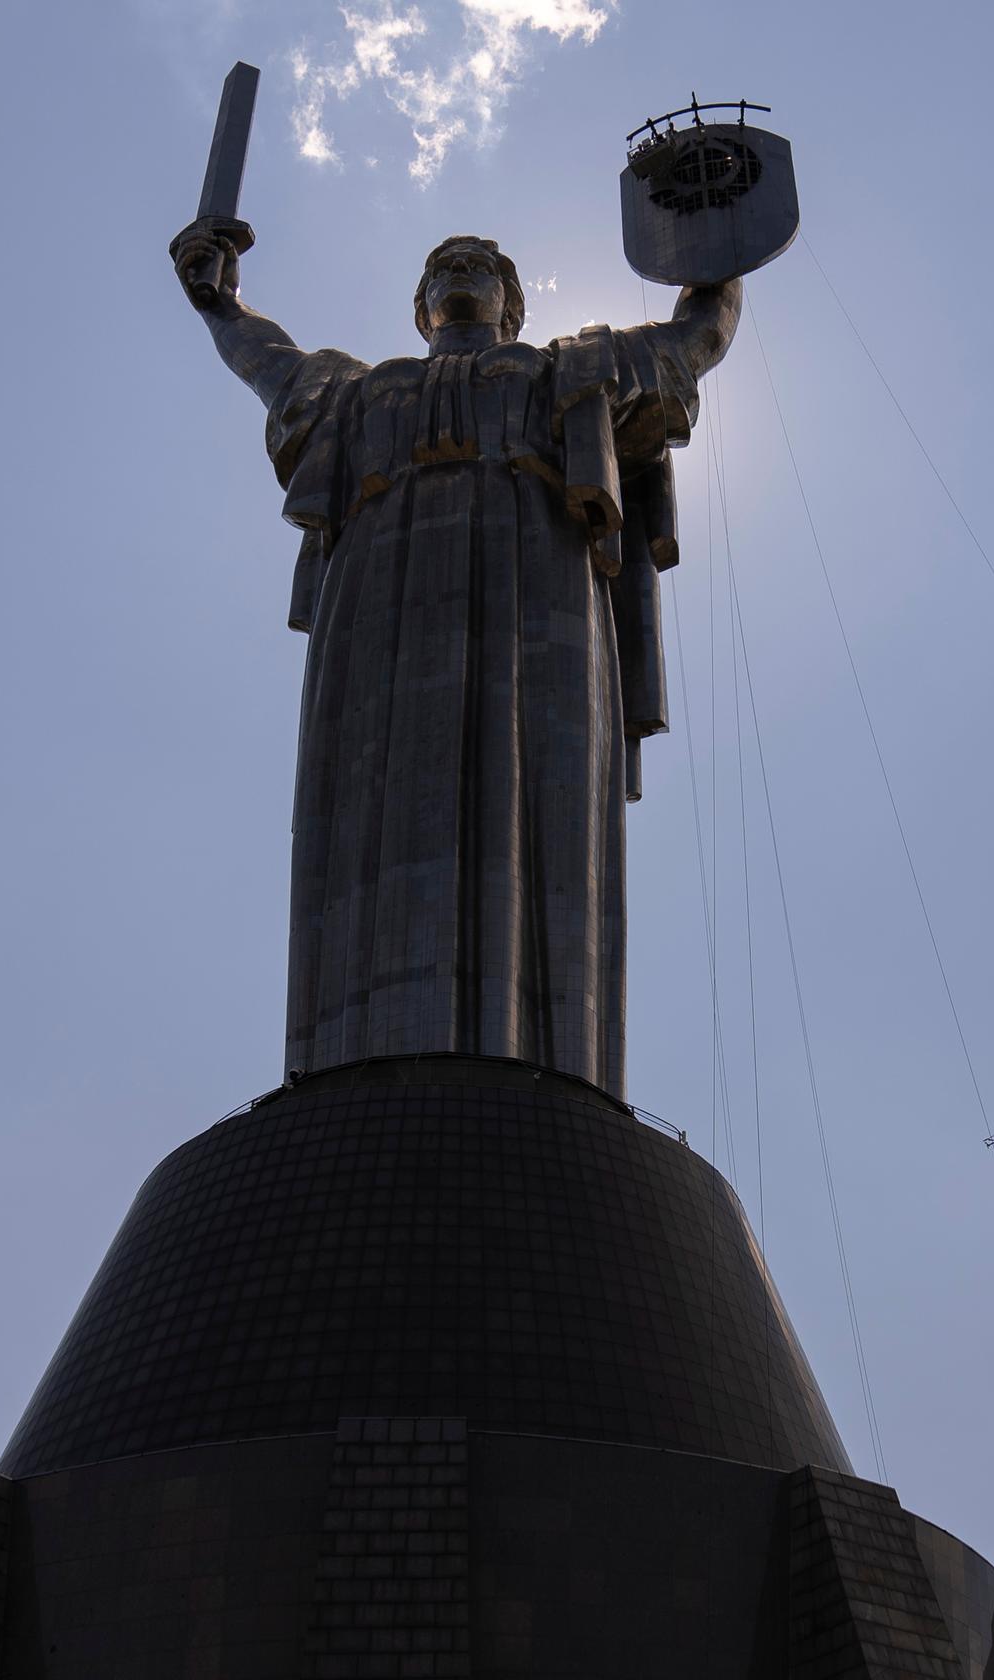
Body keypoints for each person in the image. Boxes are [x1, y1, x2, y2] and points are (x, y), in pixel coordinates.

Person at [167, 218, 741, 1100]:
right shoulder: (356, 392)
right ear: (419, 308)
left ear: (512, 305)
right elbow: (265, 362)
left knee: (537, 800)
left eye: (478, 267)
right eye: (444, 268)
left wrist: (718, 249)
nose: (460, 275)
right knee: (371, 807)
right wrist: (218, 300)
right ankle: (354, 1072)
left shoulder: (568, 368)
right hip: (377, 616)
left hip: (536, 588)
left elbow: (691, 344)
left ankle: (546, 1078)